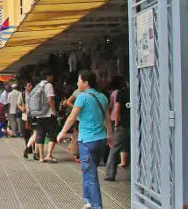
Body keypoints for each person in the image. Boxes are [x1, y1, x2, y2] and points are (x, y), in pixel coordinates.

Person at [58, 70, 111, 209]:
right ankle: (87, 200)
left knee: (91, 173)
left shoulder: (82, 97)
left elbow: (72, 117)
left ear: (86, 83)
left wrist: (62, 132)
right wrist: (110, 135)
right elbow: (107, 119)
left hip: (87, 140)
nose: (77, 83)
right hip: (101, 139)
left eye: (79, 81)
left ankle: (96, 205)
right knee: (88, 170)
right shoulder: (103, 97)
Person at [105, 81, 130, 181]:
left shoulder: (122, 92)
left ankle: (110, 174)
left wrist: (116, 123)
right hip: (137, 125)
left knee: (115, 149)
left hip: (123, 125)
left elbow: (117, 109)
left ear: (127, 82)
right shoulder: (140, 90)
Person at [33, 71, 58, 163]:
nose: (52, 77)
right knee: (52, 134)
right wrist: (54, 111)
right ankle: (49, 155)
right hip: (48, 114)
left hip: (39, 114)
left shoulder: (37, 86)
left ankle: (41, 157)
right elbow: (50, 100)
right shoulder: (49, 85)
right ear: (48, 76)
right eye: (52, 75)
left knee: (40, 134)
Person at [17, 82, 38, 159]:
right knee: (26, 134)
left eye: (31, 85)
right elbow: (18, 104)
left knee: (35, 133)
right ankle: (28, 148)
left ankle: (35, 149)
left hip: (34, 116)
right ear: (25, 87)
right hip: (25, 116)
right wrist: (22, 108)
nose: (31, 87)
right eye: (29, 86)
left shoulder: (35, 93)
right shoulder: (22, 94)